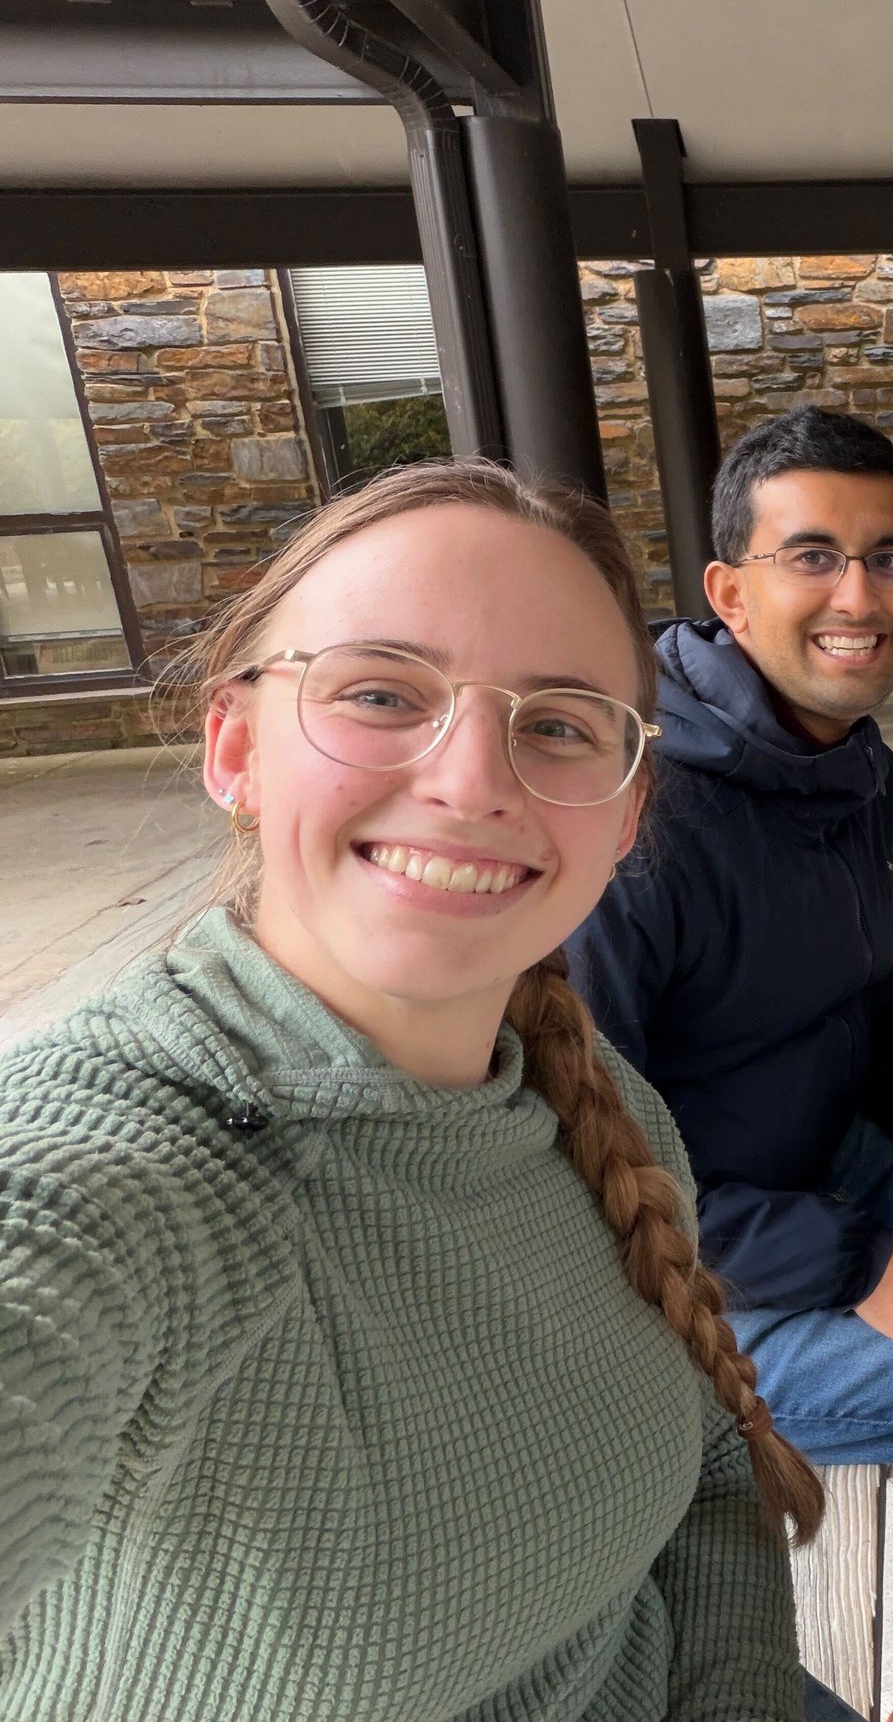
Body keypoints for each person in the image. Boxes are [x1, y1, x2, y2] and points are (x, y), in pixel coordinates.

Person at [0, 463, 836, 1721]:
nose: (470, 781)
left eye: (558, 722)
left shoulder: (599, 1111)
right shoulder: (128, 1173)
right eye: (382, 693)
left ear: (625, 810)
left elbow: (713, 1474)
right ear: (235, 748)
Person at [569, 407, 893, 1722]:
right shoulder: (637, 829)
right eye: (814, 555)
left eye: (892, 557)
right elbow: (584, 1168)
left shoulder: (863, 777)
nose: (860, 595)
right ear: (728, 591)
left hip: (828, 1160)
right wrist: (858, 1262)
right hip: (681, 1277)